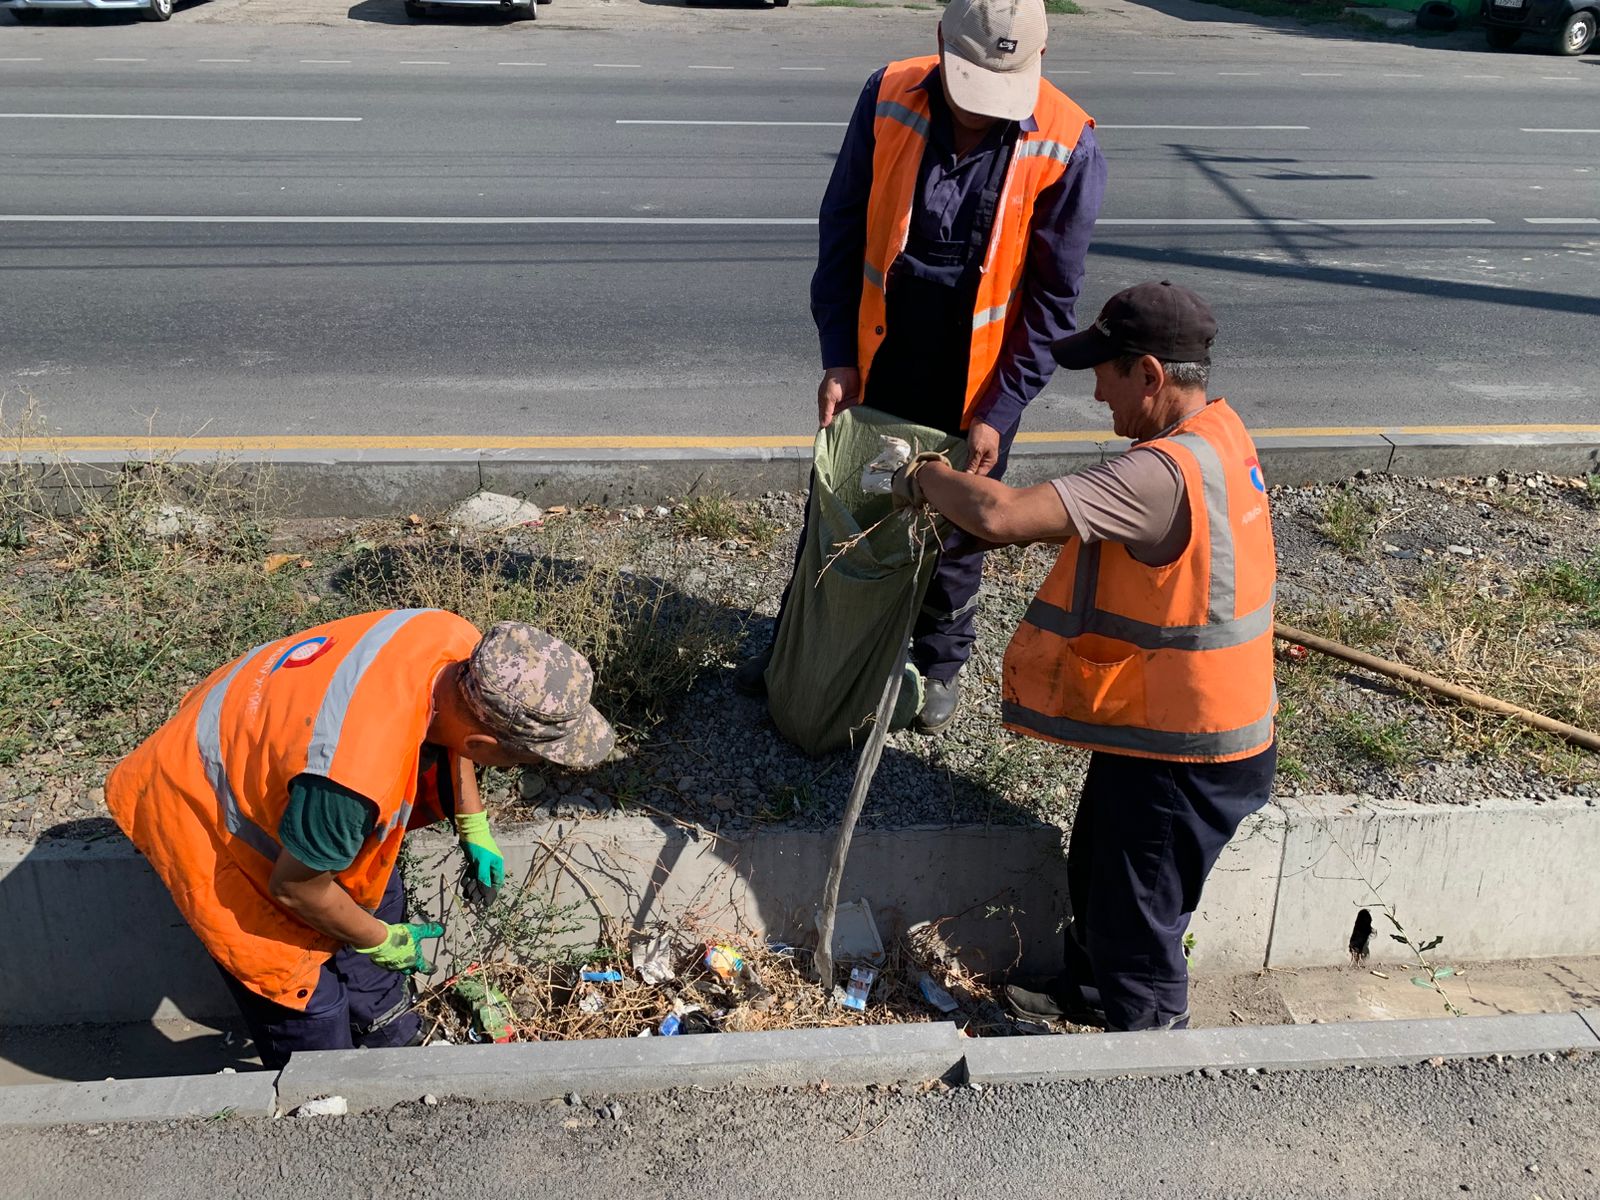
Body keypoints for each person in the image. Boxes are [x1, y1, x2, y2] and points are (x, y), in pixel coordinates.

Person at [891, 281, 1277, 1032]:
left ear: (1150, 375)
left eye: (1105, 374)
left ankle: (1145, 1054)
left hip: (1186, 749)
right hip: (1174, 720)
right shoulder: (1219, 435)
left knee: (1139, 915)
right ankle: (1091, 992)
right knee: (1102, 866)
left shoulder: (1158, 475)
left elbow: (1001, 514)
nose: (1098, 393)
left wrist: (922, 475)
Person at [735, 0, 1108, 734]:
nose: (979, 113)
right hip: (882, 352)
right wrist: (839, 356)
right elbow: (843, 229)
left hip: (979, 379)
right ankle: (802, 642)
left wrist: (1001, 409)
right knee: (844, 501)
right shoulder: (888, 94)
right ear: (941, 43)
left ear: (1038, 59)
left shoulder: (1068, 141)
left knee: (957, 531)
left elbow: (1051, 300)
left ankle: (939, 661)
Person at [106, 611, 614, 1068]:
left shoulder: (453, 641)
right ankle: (326, 1104)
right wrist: (378, 939)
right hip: (202, 807)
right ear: (483, 744)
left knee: (375, 903)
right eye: (525, 757)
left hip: (278, 756)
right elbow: (295, 889)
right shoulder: (356, 778)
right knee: (310, 1005)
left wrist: (473, 824)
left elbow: (457, 731)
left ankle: (390, 1043)